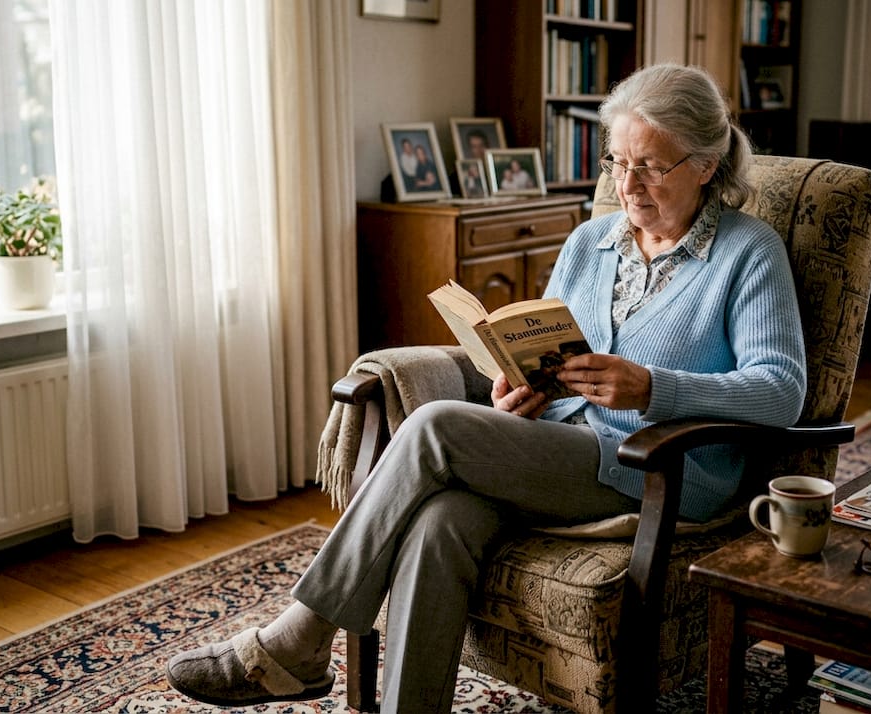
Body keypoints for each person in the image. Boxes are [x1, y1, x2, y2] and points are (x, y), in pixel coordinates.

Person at [164, 62, 807, 712]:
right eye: (618, 162)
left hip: (660, 470)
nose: (627, 185)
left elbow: (781, 389)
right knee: (440, 523)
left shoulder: (749, 253)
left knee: (436, 427)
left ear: (705, 165)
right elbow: (550, 349)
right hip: (561, 450)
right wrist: (517, 393)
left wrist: (652, 388)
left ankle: (298, 639)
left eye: (651, 167)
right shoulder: (590, 242)